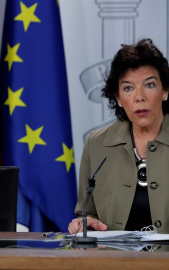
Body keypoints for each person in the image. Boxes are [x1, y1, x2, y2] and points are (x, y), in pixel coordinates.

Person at [68, 38, 169, 234]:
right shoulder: (96, 144)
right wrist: (86, 224)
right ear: (118, 98)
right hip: (114, 261)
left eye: (149, 85)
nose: (139, 97)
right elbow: (86, 213)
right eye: (128, 88)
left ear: (165, 90)